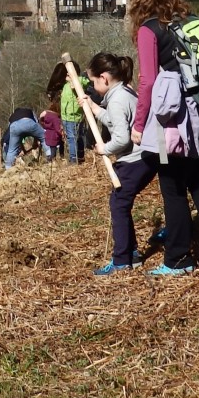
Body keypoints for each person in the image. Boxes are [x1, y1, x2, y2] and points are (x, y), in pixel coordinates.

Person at [128, 0, 199, 275]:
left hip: (185, 119)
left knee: (172, 186)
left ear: (138, 1)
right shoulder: (192, 20)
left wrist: (138, 124)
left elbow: (147, 81)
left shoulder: (150, 30)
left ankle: (177, 258)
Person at [78, 53, 153, 275]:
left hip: (134, 160)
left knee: (119, 205)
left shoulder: (118, 99)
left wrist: (105, 149)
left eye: (93, 82)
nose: (93, 85)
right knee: (121, 204)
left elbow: (122, 138)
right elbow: (115, 119)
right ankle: (132, 253)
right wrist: (94, 108)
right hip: (143, 157)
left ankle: (121, 260)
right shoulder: (123, 92)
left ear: (104, 78)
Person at [59, 74, 88, 164]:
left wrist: (72, 81)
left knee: (73, 138)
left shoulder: (78, 81)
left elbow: (82, 85)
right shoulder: (65, 85)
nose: (66, 75)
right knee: (73, 138)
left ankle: (74, 159)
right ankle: (78, 157)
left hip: (74, 116)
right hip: (66, 116)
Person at [38, 99, 62, 163]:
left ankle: (50, 161)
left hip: (48, 135)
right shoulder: (55, 117)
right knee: (53, 151)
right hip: (54, 136)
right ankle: (51, 161)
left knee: (51, 149)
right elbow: (57, 129)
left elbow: (43, 124)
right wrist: (62, 134)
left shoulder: (46, 117)